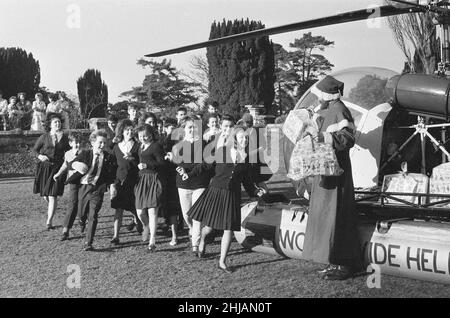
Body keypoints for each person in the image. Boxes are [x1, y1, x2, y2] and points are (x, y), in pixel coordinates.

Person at [302, 75, 360, 280]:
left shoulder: (339, 110)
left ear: (328, 95)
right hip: (325, 170)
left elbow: (349, 138)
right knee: (327, 216)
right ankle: (332, 261)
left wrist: (323, 137)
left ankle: (344, 264)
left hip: (337, 172)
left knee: (338, 216)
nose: (318, 100)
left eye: (320, 96)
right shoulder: (328, 111)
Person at [186, 126, 266, 273]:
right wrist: (189, 174)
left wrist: (255, 191)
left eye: (246, 138)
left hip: (232, 196)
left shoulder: (247, 159)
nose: (244, 140)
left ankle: (222, 261)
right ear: (235, 138)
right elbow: (205, 165)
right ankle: (203, 240)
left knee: (228, 229)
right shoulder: (222, 151)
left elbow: (246, 181)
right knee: (209, 228)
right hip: (216, 192)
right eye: (241, 137)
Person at [169, 116, 212, 253]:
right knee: (187, 215)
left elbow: (206, 164)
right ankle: (192, 230)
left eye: (195, 127)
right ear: (184, 129)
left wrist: (191, 171)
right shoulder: (178, 146)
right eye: (189, 127)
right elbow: (176, 163)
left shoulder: (204, 144)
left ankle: (196, 244)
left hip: (200, 182)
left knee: (197, 214)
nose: (192, 130)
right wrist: (177, 165)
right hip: (183, 184)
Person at [70, 130, 116, 251]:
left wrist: (112, 186)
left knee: (93, 214)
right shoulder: (85, 154)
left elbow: (111, 174)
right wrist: (76, 165)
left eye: (104, 143)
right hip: (84, 186)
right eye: (100, 142)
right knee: (82, 212)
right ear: (92, 142)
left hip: (98, 188)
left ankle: (88, 242)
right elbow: (71, 164)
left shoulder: (108, 157)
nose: (102, 145)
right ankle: (81, 220)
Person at [33, 113, 70, 229]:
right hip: (44, 168)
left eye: (59, 122)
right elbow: (34, 150)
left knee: (52, 195)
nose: (58, 124)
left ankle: (49, 221)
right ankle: (51, 207)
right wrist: (40, 156)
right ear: (50, 124)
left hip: (58, 169)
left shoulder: (65, 137)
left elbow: (69, 152)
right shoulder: (44, 137)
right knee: (46, 195)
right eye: (55, 122)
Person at [134, 124, 166, 252]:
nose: (143, 138)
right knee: (140, 212)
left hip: (153, 179)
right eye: (141, 136)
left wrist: (147, 164)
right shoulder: (140, 147)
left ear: (151, 135)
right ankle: (146, 226)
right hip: (142, 180)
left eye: (145, 135)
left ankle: (152, 240)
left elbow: (162, 163)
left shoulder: (156, 146)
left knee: (153, 211)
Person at [109, 119, 141, 245]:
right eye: (127, 130)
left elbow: (141, 164)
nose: (129, 132)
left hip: (134, 180)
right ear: (122, 131)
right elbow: (112, 165)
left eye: (131, 130)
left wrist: (133, 159)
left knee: (134, 207)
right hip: (120, 181)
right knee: (118, 209)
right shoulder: (116, 147)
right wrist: (112, 183)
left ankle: (138, 222)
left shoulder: (138, 146)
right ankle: (116, 236)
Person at [53, 132, 83, 240]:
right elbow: (65, 165)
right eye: (75, 143)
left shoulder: (85, 153)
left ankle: (82, 220)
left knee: (84, 204)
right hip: (73, 182)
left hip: (84, 182)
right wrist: (58, 174)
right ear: (70, 143)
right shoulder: (68, 154)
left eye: (79, 142)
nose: (78, 145)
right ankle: (66, 229)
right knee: (72, 204)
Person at [160, 119, 182, 246]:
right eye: (169, 127)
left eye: (174, 127)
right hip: (167, 178)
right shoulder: (162, 142)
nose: (172, 130)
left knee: (177, 207)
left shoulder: (181, 142)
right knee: (170, 207)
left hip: (179, 175)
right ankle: (173, 232)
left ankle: (177, 232)